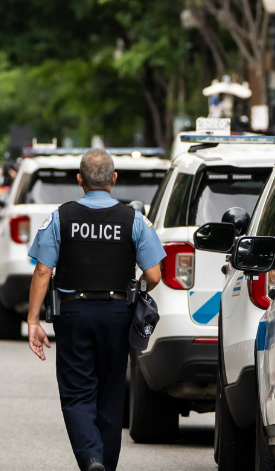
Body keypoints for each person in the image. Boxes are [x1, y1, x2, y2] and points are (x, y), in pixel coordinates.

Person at [26, 148, 165, 471]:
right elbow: (155, 274)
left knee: (77, 393)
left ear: (80, 180)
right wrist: (136, 291)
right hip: (118, 314)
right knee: (111, 394)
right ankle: (105, 464)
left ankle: (90, 459)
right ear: (113, 179)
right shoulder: (134, 220)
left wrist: (33, 320)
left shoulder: (61, 217)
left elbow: (42, 271)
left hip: (74, 314)